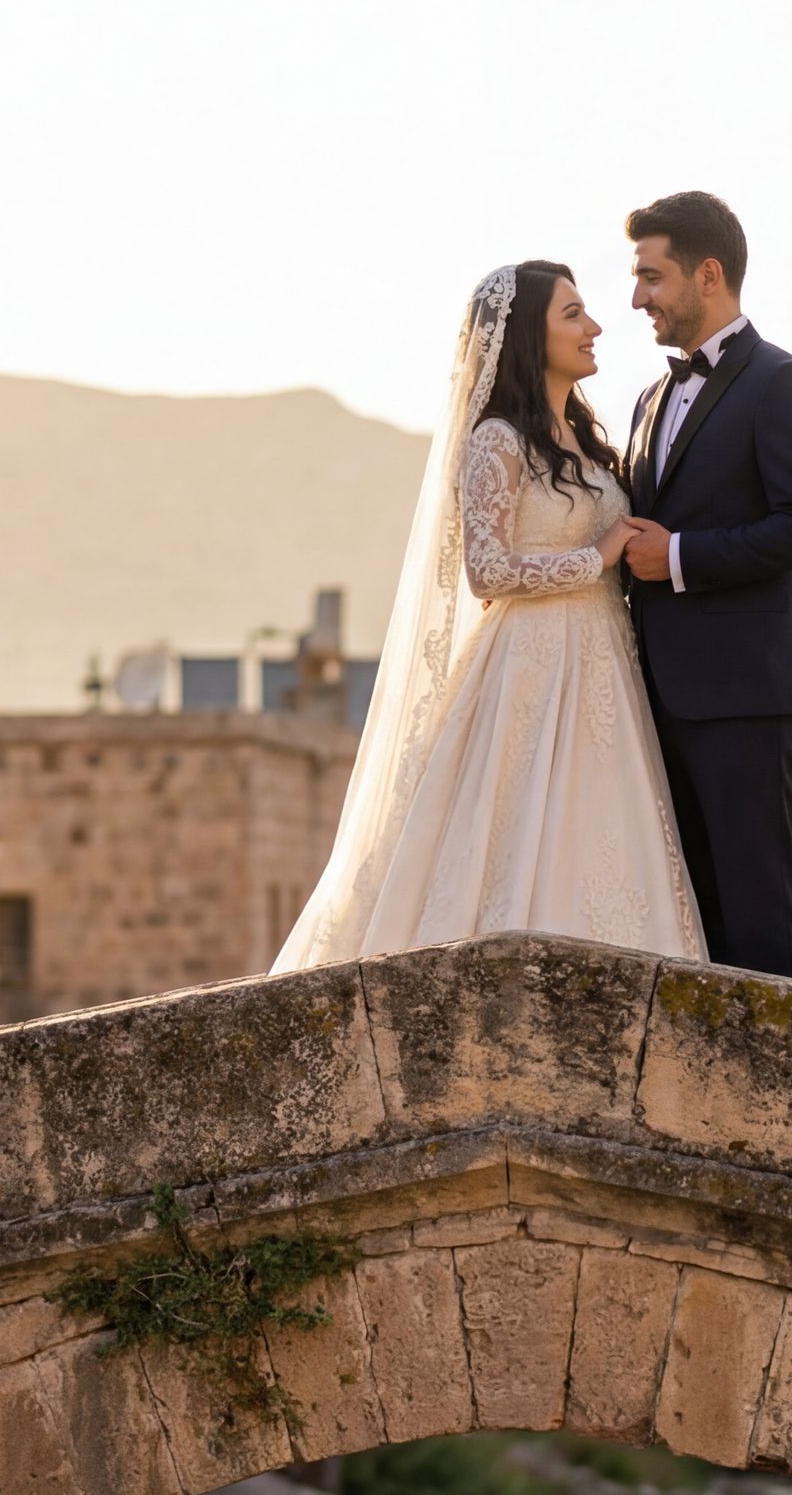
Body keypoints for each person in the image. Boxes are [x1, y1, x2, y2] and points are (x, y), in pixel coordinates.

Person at [271, 262, 704, 971]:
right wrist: (595, 557)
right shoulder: (497, 440)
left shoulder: (587, 441)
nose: (595, 327)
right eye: (573, 314)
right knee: (514, 835)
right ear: (530, 336)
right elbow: (488, 571)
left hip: (604, 671)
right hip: (529, 668)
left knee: (601, 832)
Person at [616, 191, 792, 979]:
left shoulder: (784, 382)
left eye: (652, 276)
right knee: (690, 920)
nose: (637, 297)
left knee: (756, 916)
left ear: (708, 275)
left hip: (746, 695)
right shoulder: (649, 400)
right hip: (655, 699)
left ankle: (779, 1061)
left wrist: (678, 557)